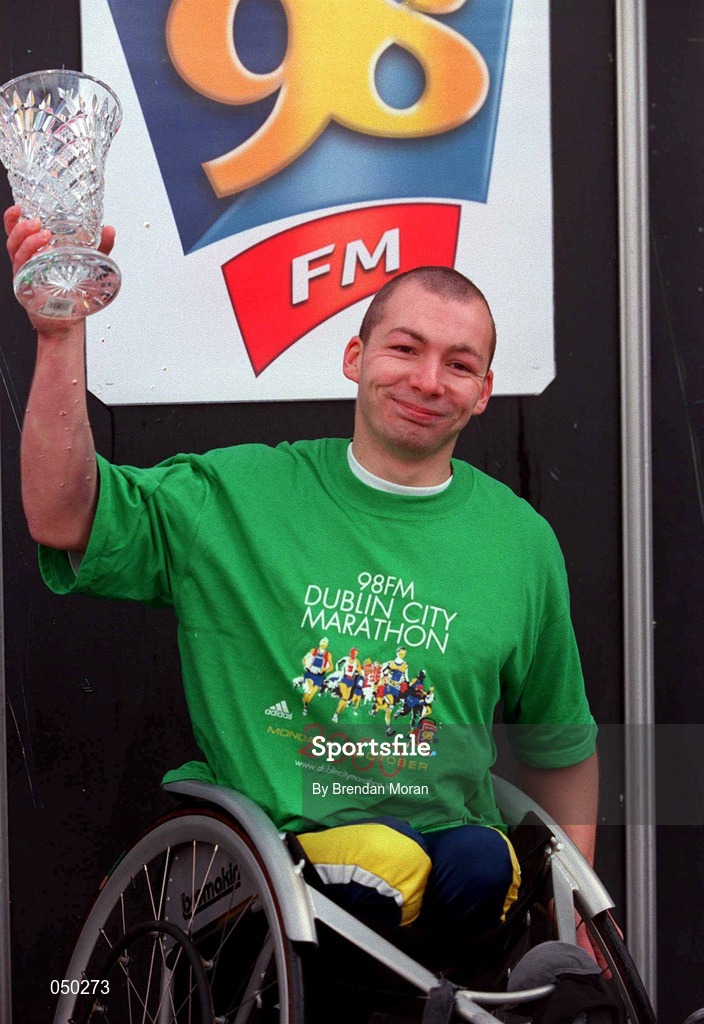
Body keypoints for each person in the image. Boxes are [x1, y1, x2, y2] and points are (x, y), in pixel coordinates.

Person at [5, 207, 600, 959]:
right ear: (354, 357)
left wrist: (580, 909)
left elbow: (558, 744)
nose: (427, 380)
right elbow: (62, 517)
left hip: (456, 876)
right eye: (405, 348)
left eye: (458, 363)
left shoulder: (521, 543)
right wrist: (59, 337)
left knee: (484, 862)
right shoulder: (238, 497)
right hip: (278, 872)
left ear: (483, 391)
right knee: (380, 864)